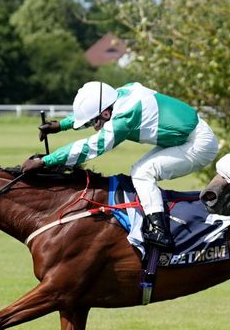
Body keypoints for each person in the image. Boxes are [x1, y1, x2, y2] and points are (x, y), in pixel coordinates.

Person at [21, 81, 219, 248]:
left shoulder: (125, 117)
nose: (93, 126)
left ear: (106, 114)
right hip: (187, 137)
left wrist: (45, 161)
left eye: (93, 123)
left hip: (198, 144)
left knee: (142, 173)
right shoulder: (121, 94)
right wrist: (62, 125)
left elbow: (91, 147)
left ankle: (161, 231)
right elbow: (95, 113)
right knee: (139, 171)